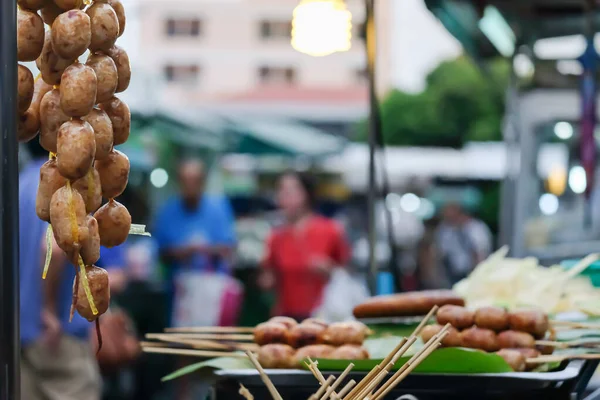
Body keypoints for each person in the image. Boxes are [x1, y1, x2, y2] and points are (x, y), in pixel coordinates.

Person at [19, 140, 123, 400]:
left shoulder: (20, 186)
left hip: (21, 335)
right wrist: (49, 310)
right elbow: (52, 249)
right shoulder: (64, 185)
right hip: (57, 336)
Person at [153, 159, 237, 327]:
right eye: (185, 181)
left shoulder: (218, 208)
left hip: (212, 295)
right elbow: (160, 253)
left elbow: (229, 248)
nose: (190, 186)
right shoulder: (168, 211)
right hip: (179, 297)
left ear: (203, 182)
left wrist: (204, 249)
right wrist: (184, 251)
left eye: (195, 181)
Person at [259, 171, 350, 321]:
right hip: (286, 317)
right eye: (281, 190)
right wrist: (266, 278)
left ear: (307, 193)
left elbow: (347, 271)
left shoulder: (329, 230)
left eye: (291, 190)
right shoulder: (276, 236)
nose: (285, 195)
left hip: (323, 315)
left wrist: (329, 269)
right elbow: (267, 278)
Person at [435, 203, 492, 285]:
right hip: (453, 272)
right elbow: (441, 252)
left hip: (472, 271)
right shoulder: (445, 229)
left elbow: (480, 251)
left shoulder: (476, 228)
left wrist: (478, 272)